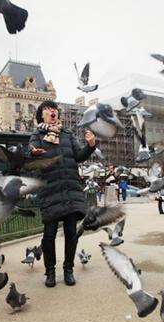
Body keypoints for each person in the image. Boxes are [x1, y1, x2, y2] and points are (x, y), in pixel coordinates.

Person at [29, 100, 96, 288]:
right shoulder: (37, 135)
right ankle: (50, 271)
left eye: (55, 110)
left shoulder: (67, 134)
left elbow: (79, 156)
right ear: (41, 115)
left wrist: (90, 146)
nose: (53, 112)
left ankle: (68, 270)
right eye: (48, 110)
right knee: (49, 235)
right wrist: (34, 153)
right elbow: (32, 152)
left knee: (71, 233)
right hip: (50, 190)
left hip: (69, 188)